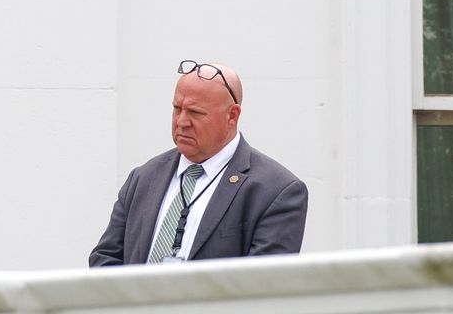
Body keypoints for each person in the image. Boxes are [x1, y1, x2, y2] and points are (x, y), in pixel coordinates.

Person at [89, 60, 307, 266]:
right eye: (177, 108)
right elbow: (105, 259)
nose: (182, 122)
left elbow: (264, 287)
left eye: (195, 112)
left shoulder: (276, 192)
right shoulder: (144, 178)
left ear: (232, 115)